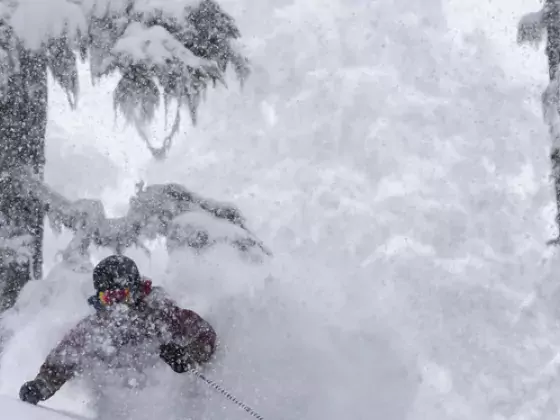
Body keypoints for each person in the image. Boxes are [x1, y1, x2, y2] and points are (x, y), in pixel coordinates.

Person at [19, 254, 217, 406]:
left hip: (164, 407)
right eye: (109, 299)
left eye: (122, 296)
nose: (117, 305)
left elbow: (205, 334)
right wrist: (41, 386)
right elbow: (63, 359)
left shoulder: (161, 314)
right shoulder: (95, 328)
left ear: (137, 291)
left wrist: (187, 356)